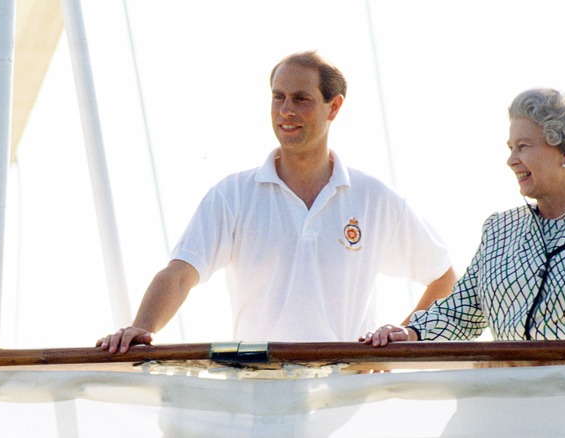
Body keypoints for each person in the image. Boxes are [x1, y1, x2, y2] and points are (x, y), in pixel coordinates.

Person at [98, 51, 456, 353]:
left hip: (345, 401)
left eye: (301, 99)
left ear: (334, 107)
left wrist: (400, 340)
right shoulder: (233, 195)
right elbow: (179, 276)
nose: (286, 110)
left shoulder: (375, 199)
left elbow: (443, 278)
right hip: (259, 398)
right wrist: (141, 327)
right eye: (278, 97)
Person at [362, 87, 565, 346]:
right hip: (508, 403)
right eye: (510, 148)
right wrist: (410, 333)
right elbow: (460, 312)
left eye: (523, 147)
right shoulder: (499, 230)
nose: (511, 160)